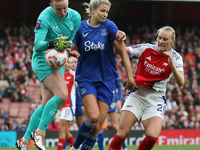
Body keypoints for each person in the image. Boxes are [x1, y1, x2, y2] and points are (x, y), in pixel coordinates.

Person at [15, 0, 81, 150]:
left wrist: (68, 48)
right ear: (51, 5)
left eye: (65, 8)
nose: (63, 12)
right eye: (59, 10)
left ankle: (24, 142)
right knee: (62, 94)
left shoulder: (75, 17)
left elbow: (70, 41)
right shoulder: (44, 17)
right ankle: (40, 132)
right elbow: (37, 46)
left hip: (58, 61)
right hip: (42, 60)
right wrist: (53, 43)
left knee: (46, 104)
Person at [70, 0, 135, 150]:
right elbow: (71, 50)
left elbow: (123, 52)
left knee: (97, 126)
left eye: (107, 11)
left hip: (107, 80)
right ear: (92, 9)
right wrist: (69, 53)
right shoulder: (80, 28)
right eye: (102, 11)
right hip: (86, 78)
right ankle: (74, 148)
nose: (105, 14)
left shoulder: (110, 26)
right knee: (92, 117)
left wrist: (130, 77)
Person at [108, 26, 184, 150]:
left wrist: (172, 66)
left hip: (156, 98)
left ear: (172, 42)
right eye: (159, 38)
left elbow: (181, 82)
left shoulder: (175, 58)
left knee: (152, 137)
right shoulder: (146, 48)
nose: (161, 41)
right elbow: (122, 50)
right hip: (137, 95)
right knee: (121, 134)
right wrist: (118, 40)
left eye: (165, 39)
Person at [97, 71, 128, 150]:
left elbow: (119, 87)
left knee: (115, 125)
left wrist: (119, 100)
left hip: (112, 100)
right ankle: (101, 149)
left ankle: (124, 147)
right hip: (101, 99)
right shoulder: (98, 70)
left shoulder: (113, 71)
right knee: (99, 125)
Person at [56, 57, 75, 150]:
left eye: (71, 63)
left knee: (61, 127)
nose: (70, 64)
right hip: (59, 105)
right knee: (64, 131)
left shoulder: (73, 76)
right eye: (68, 62)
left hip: (68, 105)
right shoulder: (59, 75)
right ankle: (75, 147)